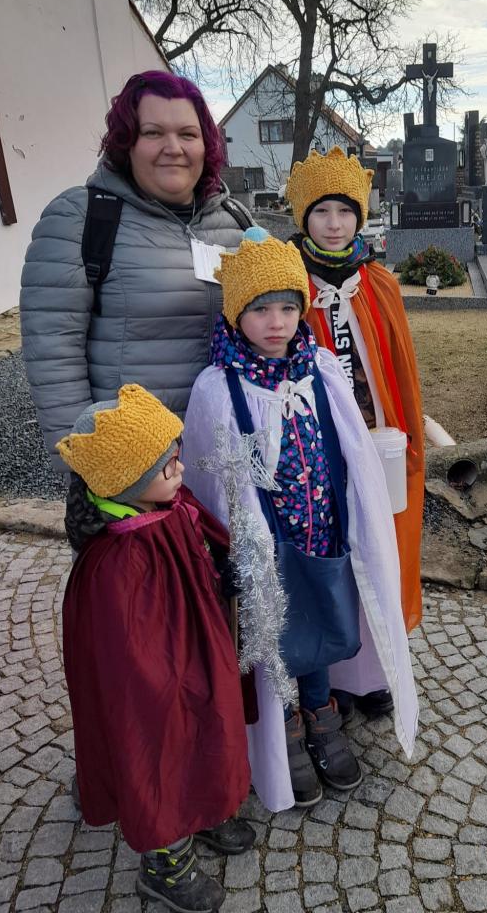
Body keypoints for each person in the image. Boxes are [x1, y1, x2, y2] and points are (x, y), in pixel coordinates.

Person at [181, 228, 418, 812]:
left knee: (323, 629)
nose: (277, 322)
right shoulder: (218, 387)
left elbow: (352, 450)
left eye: (289, 308)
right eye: (260, 309)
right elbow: (213, 479)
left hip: (324, 536)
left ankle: (321, 714)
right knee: (278, 640)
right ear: (236, 313)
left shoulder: (322, 370)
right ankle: (283, 728)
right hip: (267, 548)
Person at [56, 384, 255, 913]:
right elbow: (128, 656)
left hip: (195, 648)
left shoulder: (167, 505)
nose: (182, 470)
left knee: (208, 723)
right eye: (168, 465)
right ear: (128, 480)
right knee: (161, 745)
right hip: (155, 677)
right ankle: (165, 859)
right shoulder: (116, 562)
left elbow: (201, 548)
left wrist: (222, 571)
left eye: (178, 456)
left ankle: (202, 808)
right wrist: (170, 681)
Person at [20, 69, 250, 468]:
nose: (173, 148)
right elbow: (54, 358)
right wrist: (87, 467)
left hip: (228, 454)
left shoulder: (236, 222)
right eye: (153, 132)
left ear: (206, 145)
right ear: (127, 142)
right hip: (135, 465)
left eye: (188, 134)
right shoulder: (80, 219)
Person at [285, 146, 425, 718]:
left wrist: (406, 435)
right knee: (334, 554)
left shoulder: (379, 284)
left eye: (345, 210)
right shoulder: (289, 287)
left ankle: (375, 672)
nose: (335, 223)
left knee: (380, 549)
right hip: (317, 450)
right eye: (321, 211)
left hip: (378, 441)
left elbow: (401, 369)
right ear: (304, 218)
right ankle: (337, 674)